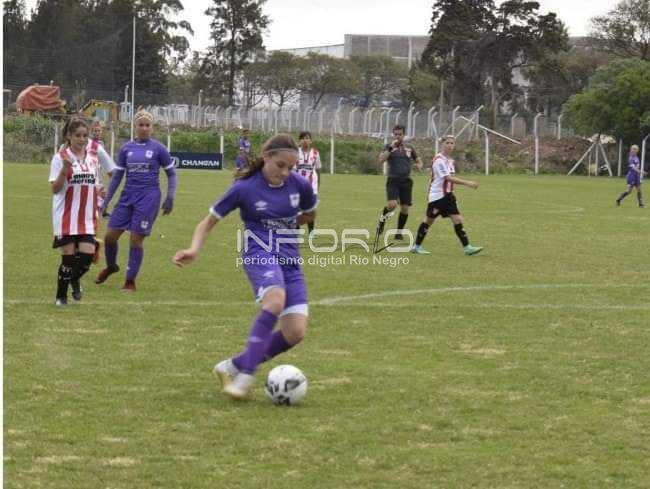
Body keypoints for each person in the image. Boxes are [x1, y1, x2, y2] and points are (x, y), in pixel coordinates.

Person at [172, 134, 318, 400]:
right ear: (266, 157)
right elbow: (208, 222)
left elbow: (310, 214)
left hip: (290, 260)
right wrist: (193, 249)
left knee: (295, 332)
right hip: (257, 252)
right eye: (280, 165)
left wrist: (287, 225)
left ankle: (231, 366)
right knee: (274, 301)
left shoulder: (300, 186)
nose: (285, 172)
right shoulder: (245, 188)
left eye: (291, 167)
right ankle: (246, 375)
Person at [95, 109, 177, 291]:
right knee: (110, 237)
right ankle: (111, 266)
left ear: (152, 128)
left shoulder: (158, 148)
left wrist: (170, 196)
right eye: (141, 125)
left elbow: (171, 174)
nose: (144, 128)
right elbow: (116, 177)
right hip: (127, 196)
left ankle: (130, 281)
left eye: (148, 125)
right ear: (135, 127)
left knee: (135, 239)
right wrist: (107, 200)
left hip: (149, 198)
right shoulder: (126, 148)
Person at [48, 118, 116, 305]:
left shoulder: (93, 157)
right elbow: (55, 189)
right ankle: (61, 298)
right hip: (66, 217)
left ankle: (75, 280)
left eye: (85, 136)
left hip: (87, 217)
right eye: (77, 135)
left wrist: (100, 190)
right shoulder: (60, 157)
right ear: (69, 136)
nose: (82, 139)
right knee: (68, 260)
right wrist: (65, 169)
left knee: (86, 259)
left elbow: (95, 181)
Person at [411, 135, 483, 256]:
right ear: (442, 145)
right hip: (437, 197)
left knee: (457, 219)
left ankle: (467, 247)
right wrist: (468, 183)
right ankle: (416, 246)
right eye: (447, 143)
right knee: (428, 221)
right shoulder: (439, 160)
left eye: (452, 143)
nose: (450, 145)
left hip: (448, 196)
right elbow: (448, 178)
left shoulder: (449, 160)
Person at [377, 124, 423, 240]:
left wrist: (418, 165)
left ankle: (399, 232)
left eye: (400, 134)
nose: (397, 136)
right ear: (393, 134)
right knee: (392, 205)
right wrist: (390, 149)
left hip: (406, 181)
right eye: (395, 134)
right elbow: (381, 160)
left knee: (405, 208)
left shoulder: (410, 147)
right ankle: (382, 220)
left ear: (404, 135)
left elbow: (418, 160)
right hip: (393, 180)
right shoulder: (388, 146)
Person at [294, 131, 321, 235]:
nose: (305, 140)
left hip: (311, 185)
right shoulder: (295, 153)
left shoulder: (315, 153)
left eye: (307, 138)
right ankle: (296, 233)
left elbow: (318, 169)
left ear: (310, 140)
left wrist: (318, 184)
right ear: (299, 140)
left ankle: (311, 232)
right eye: (302, 138)